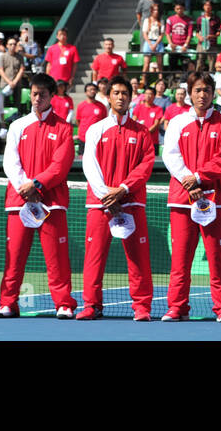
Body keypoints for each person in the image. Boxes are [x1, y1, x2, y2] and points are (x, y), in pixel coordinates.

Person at [0, 74, 76, 319]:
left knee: (57, 258)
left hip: (52, 203)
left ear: (52, 96)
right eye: (34, 93)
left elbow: (60, 165)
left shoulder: (63, 128)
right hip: (19, 202)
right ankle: (7, 303)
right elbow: (10, 161)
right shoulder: (17, 125)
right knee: (14, 257)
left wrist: (37, 185)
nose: (37, 98)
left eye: (42, 94)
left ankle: (63, 304)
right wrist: (25, 187)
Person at [161, 71, 221, 323]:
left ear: (213, 93)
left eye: (206, 90)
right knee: (180, 260)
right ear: (189, 94)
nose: (202, 94)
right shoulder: (177, 122)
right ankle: (177, 307)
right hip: (182, 199)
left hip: (216, 200)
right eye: (197, 90)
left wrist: (198, 177)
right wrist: (189, 180)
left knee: (218, 259)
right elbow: (170, 155)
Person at [78, 76, 155, 320]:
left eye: (125, 93)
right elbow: (89, 164)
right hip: (99, 204)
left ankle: (142, 307)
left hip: (131, 202)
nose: (121, 97)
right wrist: (106, 195)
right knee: (94, 257)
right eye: (116, 93)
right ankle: (91, 305)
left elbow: (145, 165)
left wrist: (123, 188)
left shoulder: (142, 132)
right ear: (109, 97)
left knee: (138, 259)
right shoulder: (95, 129)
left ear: (131, 98)